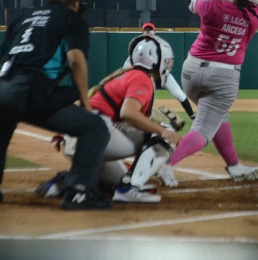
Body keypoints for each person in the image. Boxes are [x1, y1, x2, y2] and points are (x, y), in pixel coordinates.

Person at [0, 0, 111, 210]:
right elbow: (76, 61)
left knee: (0, 124)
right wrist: (85, 103)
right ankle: (78, 192)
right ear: (76, 1)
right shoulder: (71, 19)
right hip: (28, 90)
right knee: (94, 128)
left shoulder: (23, 17)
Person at [157, 0, 258, 187]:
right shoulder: (254, 17)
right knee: (202, 132)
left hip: (191, 73)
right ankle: (165, 164)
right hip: (223, 78)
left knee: (219, 118)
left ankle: (234, 166)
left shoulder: (210, 6)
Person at [41, 35, 181, 204]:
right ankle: (129, 188)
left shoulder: (125, 75)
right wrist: (161, 129)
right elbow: (127, 113)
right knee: (163, 135)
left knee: (119, 179)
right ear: (156, 60)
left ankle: (66, 181)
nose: (168, 64)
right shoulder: (141, 78)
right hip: (94, 135)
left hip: (79, 140)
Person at [123, 22, 196, 119]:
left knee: (179, 94)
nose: (148, 31)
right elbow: (127, 65)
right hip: (147, 78)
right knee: (148, 98)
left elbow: (170, 60)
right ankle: (144, 119)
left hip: (163, 75)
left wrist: (166, 68)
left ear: (154, 31)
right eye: (146, 29)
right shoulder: (138, 49)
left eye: (150, 29)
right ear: (142, 32)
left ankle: (192, 117)